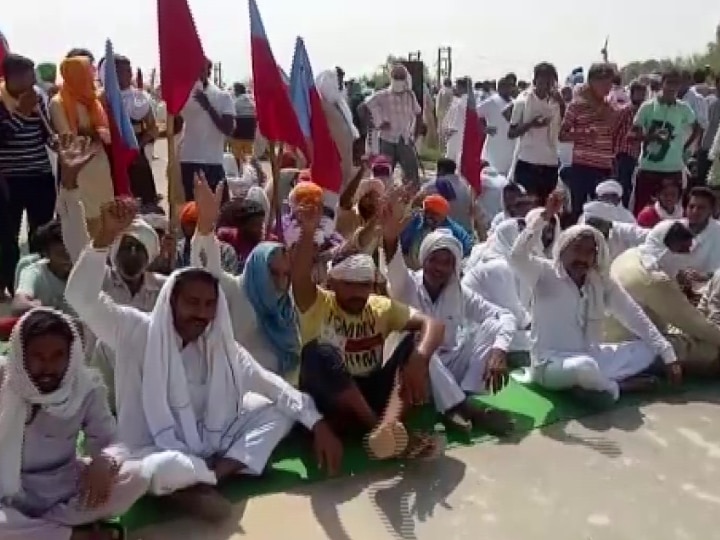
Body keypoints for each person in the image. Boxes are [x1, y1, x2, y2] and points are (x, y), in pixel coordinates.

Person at [64, 196, 343, 523]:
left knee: (276, 410)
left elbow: (273, 385)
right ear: (171, 301)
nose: (201, 313)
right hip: (152, 449)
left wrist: (318, 423)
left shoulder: (220, 345)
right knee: (160, 469)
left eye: (209, 305)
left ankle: (212, 477)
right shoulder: (134, 331)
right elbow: (80, 297)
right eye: (192, 303)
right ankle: (189, 483)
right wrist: (103, 238)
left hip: (210, 444)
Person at [291, 199, 446, 459]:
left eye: (364, 285)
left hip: (369, 390)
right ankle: (378, 429)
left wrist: (419, 358)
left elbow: (434, 324)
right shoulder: (318, 303)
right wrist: (308, 234)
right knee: (318, 353)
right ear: (332, 282)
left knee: (414, 340)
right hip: (331, 400)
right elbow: (299, 279)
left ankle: (388, 427)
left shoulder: (379, 306)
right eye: (349, 284)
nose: (358, 293)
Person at [510, 191, 681, 401]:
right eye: (577, 249)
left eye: (589, 252)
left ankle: (590, 386)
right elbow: (517, 256)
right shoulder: (544, 273)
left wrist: (668, 355)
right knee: (584, 368)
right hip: (551, 364)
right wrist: (545, 216)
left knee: (647, 348)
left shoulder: (600, 282)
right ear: (562, 249)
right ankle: (617, 386)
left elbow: (633, 315)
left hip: (594, 355)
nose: (582, 257)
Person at [0, 308, 150, 540]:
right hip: (11, 492)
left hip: (66, 487)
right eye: (38, 357)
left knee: (137, 476)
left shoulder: (85, 389)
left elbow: (115, 442)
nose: (48, 367)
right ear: (22, 355)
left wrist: (106, 460)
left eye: (58, 356)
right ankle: (75, 535)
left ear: (71, 356)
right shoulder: (5, 383)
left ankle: (41, 531)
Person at [384, 217, 517, 434]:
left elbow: (505, 316)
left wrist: (499, 350)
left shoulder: (459, 293)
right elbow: (393, 261)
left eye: (447, 263)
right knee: (420, 342)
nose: (440, 268)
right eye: (434, 260)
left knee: (493, 326)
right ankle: (465, 408)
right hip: (415, 374)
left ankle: (456, 400)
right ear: (423, 259)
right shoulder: (406, 284)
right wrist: (390, 235)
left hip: (449, 369)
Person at [606, 220, 720, 376]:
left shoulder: (632, 255)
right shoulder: (654, 278)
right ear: (665, 247)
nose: (686, 256)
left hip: (612, 336)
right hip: (631, 345)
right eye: (682, 250)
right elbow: (693, 323)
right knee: (708, 349)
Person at [0, 54, 57, 296]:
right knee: (7, 237)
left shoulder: (38, 97)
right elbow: (2, 137)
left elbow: (44, 131)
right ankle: (8, 284)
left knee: (41, 233)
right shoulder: (1, 102)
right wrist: (21, 113)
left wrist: (54, 139)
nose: (33, 80)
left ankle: (35, 285)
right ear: (12, 78)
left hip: (40, 175)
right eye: (28, 75)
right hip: (9, 179)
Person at [49, 56, 113, 238]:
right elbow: (69, 137)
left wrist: (90, 132)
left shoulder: (93, 101)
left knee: (104, 213)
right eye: (85, 72)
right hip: (79, 167)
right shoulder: (58, 102)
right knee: (83, 217)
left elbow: (106, 136)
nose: (90, 76)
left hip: (100, 164)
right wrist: (93, 133)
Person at [631, 69, 700, 214]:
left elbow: (697, 128)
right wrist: (651, 137)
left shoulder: (683, 108)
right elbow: (633, 134)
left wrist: (686, 148)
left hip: (673, 169)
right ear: (662, 84)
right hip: (649, 167)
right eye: (669, 83)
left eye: (676, 84)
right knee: (642, 209)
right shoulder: (648, 107)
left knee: (672, 211)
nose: (672, 87)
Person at [559, 63, 619, 222]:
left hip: (604, 167)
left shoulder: (609, 106)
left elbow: (613, 127)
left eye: (610, 83)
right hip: (582, 167)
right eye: (604, 83)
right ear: (592, 82)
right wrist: (584, 134)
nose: (608, 87)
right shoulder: (576, 105)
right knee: (579, 210)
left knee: (603, 213)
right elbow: (562, 134)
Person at [462, 218, 534, 352]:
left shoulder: (512, 265)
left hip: (496, 324)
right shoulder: (498, 266)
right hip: (476, 332)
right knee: (538, 340)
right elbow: (513, 312)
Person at [175, 60, 235, 201]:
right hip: (189, 159)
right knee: (193, 209)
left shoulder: (222, 97)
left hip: (212, 161)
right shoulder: (184, 97)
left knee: (217, 207)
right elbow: (175, 127)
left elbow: (228, 129)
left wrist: (208, 106)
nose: (197, 74)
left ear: (208, 71)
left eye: (201, 70)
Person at [104, 55, 159, 206]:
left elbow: (153, 128)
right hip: (113, 154)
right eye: (122, 71)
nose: (128, 75)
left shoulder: (140, 98)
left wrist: (138, 145)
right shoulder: (104, 98)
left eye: (129, 71)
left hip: (136, 153)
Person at [507, 62, 564, 205]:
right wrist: (531, 124)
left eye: (550, 82)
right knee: (527, 206)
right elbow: (511, 132)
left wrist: (562, 103)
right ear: (535, 81)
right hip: (528, 162)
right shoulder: (523, 101)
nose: (546, 85)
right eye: (543, 81)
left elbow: (564, 125)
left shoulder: (556, 103)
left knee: (546, 207)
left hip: (549, 163)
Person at [365, 64, 422, 185]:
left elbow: (418, 112)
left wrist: (415, 134)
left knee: (411, 175)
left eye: (401, 77)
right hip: (387, 140)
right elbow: (365, 106)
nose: (398, 80)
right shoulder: (382, 95)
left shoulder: (410, 96)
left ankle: (410, 200)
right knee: (383, 174)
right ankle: (382, 199)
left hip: (405, 139)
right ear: (391, 78)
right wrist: (378, 122)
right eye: (396, 77)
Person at [400, 194, 474, 270]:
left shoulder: (454, 231)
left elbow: (469, 247)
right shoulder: (416, 221)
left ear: (443, 216)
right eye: (427, 212)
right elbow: (402, 241)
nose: (429, 216)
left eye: (434, 214)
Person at [316, 70, 359, 190]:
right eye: (338, 83)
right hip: (332, 158)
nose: (341, 86)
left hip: (343, 155)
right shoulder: (321, 106)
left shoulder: (340, 105)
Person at [176, 200, 238, 273]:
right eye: (191, 224)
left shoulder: (226, 252)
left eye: (200, 223)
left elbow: (227, 281)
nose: (196, 228)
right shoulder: (179, 250)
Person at [613, 81, 648, 206]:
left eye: (643, 94)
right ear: (632, 94)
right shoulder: (625, 111)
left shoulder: (644, 113)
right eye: (638, 93)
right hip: (623, 153)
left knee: (629, 186)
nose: (641, 96)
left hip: (635, 154)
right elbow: (614, 130)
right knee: (623, 185)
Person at [418, 158, 474, 233]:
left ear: (441, 170)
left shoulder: (436, 184)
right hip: (465, 232)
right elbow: (472, 209)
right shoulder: (465, 184)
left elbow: (416, 200)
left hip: (444, 233)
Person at [477, 75, 516, 175]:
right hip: (494, 146)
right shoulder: (491, 101)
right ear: (499, 88)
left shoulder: (514, 102)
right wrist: (483, 128)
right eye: (505, 86)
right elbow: (474, 114)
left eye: (510, 86)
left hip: (510, 145)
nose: (508, 88)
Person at [215, 197, 267, 273]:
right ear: (241, 225)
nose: (260, 228)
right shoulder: (226, 236)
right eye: (255, 224)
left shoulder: (263, 245)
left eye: (261, 224)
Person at [442, 77, 472, 165]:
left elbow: (459, 119)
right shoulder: (458, 100)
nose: (455, 88)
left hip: (457, 133)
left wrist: (450, 130)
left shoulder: (464, 101)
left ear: (462, 88)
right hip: (455, 133)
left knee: (453, 158)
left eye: (457, 86)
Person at [228, 83, 256, 169]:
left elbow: (231, 116)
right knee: (248, 157)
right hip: (250, 134)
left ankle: (239, 172)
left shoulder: (235, 102)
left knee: (236, 157)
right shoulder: (252, 100)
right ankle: (250, 173)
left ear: (237, 91)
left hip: (238, 134)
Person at [435, 78, 454, 151]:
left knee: (440, 131)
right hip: (447, 113)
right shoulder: (450, 92)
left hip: (440, 113)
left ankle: (441, 148)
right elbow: (452, 104)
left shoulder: (441, 91)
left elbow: (437, 103)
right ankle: (446, 148)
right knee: (447, 131)